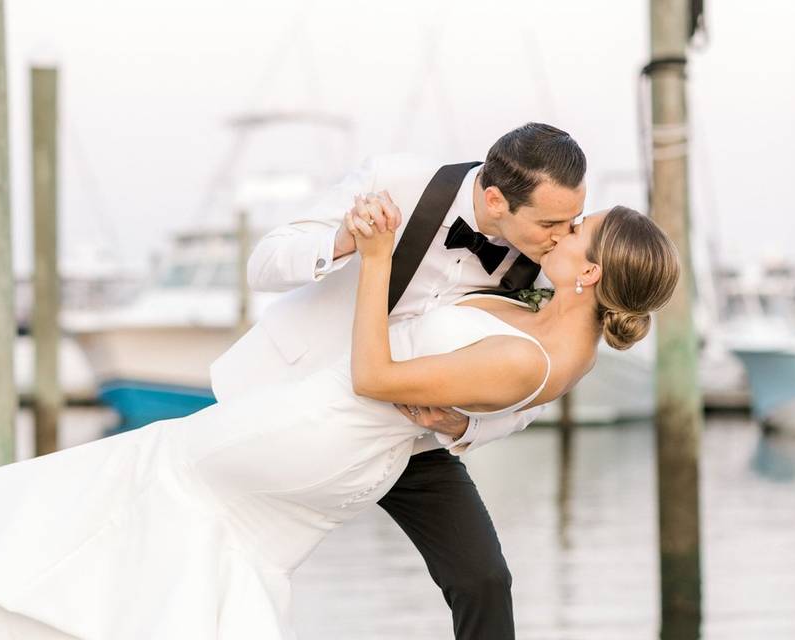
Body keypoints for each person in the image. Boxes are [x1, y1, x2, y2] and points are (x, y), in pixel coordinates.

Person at [0, 200, 679, 639]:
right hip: (326, 423)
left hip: (332, 425)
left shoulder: (535, 358)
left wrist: (374, 264)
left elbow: (375, 375)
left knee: (164, 478)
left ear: (593, 272)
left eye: (577, 231)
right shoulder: (543, 326)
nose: (561, 232)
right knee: (202, 531)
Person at [213, 122, 588, 638]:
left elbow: (537, 388)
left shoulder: (546, 266)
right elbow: (264, 263)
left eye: (575, 220)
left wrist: (465, 425)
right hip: (290, 394)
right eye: (552, 222)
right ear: (497, 200)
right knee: (231, 553)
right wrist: (344, 239)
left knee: (483, 579)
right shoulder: (397, 180)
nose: (565, 235)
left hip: (406, 436)